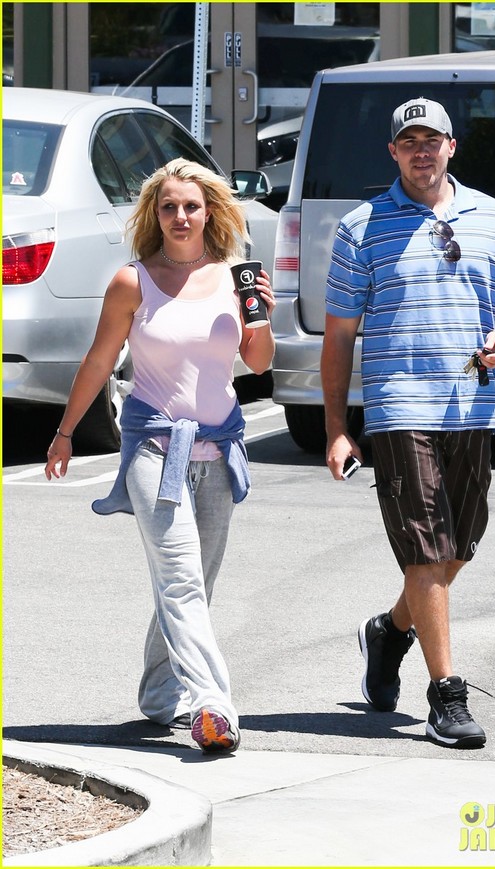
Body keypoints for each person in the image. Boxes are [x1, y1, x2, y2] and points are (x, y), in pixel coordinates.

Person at [321, 98, 495, 749]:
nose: (421, 151)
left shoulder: (492, 217)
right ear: (393, 152)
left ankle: (389, 632)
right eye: (409, 141)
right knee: (428, 551)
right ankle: (447, 696)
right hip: (398, 408)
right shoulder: (360, 228)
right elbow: (338, 338)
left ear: (451, 146)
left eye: (431, 140)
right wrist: (336, 426)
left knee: (458, 548)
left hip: (471, 406)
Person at [45, 158, 276, 754]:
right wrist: (66, 432)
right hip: (154, 449)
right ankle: (213, 706)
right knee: (181, 580)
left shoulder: (236, 277)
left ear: (210, 212)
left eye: (191, 206)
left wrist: (261, 318)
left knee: (193, 584)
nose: (180, 216)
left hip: (219, 451)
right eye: (169, 206)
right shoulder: (133, 281)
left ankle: (157, 695)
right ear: (155, 213)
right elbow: (100, 359)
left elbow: (258, 363)